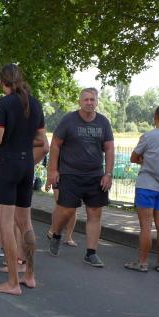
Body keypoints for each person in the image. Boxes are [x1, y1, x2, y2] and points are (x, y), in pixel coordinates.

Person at [0, 64, 49, 295]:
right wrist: (21, 138)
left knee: (6, 224)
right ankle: (29, 275)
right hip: (27, 165)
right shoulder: (35, 103)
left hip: (7, 164)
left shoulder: (4, 103)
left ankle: (13, 282)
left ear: (2, 82)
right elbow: (41, 141)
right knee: (26, 223)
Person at [46, 88, 114, 267]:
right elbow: (55, 145)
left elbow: (109, 148)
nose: (89, 102)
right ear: (80, 102)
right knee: (67, 211)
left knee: (95, 213)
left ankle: (91, 253)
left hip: (95, 176)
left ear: (96, 102)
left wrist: (108, 173)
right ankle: (56, 234)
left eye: (92, 99)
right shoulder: (69, 120)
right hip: (70, 174)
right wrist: (53, 170)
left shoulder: (103, 122)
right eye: (86, 99)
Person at [124, 105, 159, 273]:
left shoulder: (148, 136)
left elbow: (133, 157)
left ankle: (142, 263)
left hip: (147, 185)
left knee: (146, 226)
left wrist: (144, 160)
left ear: (155, 117)